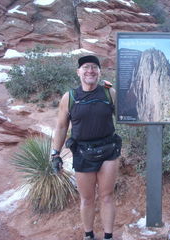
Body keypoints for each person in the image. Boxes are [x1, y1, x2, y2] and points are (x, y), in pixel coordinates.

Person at [51, 55, 121, 240]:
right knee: (87, 199)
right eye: (86, 67)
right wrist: (55, 154)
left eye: (94, 67)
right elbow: (61, 126)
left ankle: (108, 236)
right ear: (78, 72)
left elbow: (126, 115)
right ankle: (89, 235)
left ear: (99, 72)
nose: (90, 70)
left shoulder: (109, 93)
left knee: (107, 196)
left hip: (108, 150)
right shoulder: (70, 97)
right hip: (82, 153)